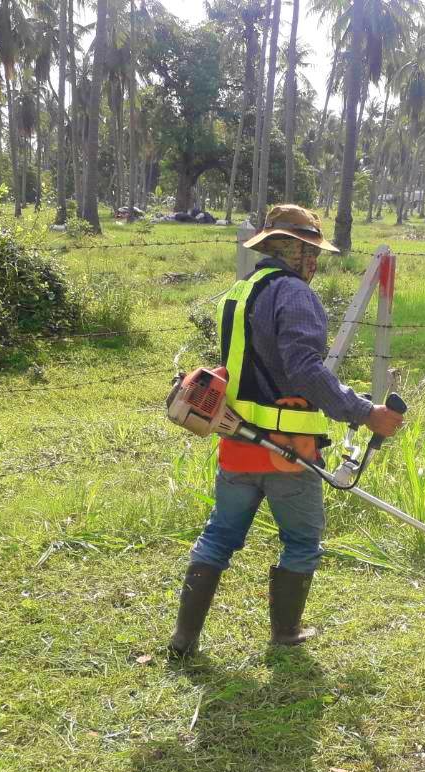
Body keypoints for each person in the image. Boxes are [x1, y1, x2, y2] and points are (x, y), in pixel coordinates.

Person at [170, 204, 404, 657]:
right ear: (291, 251)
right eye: (310, 252)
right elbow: (304, 370)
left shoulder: (239, 292)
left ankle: (184, 639)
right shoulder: (295, 294)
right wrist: (362, 412)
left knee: (218, 536)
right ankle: (285, 634)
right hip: (287, 452)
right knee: (301, 541)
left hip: (236, 443)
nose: (314, 263)